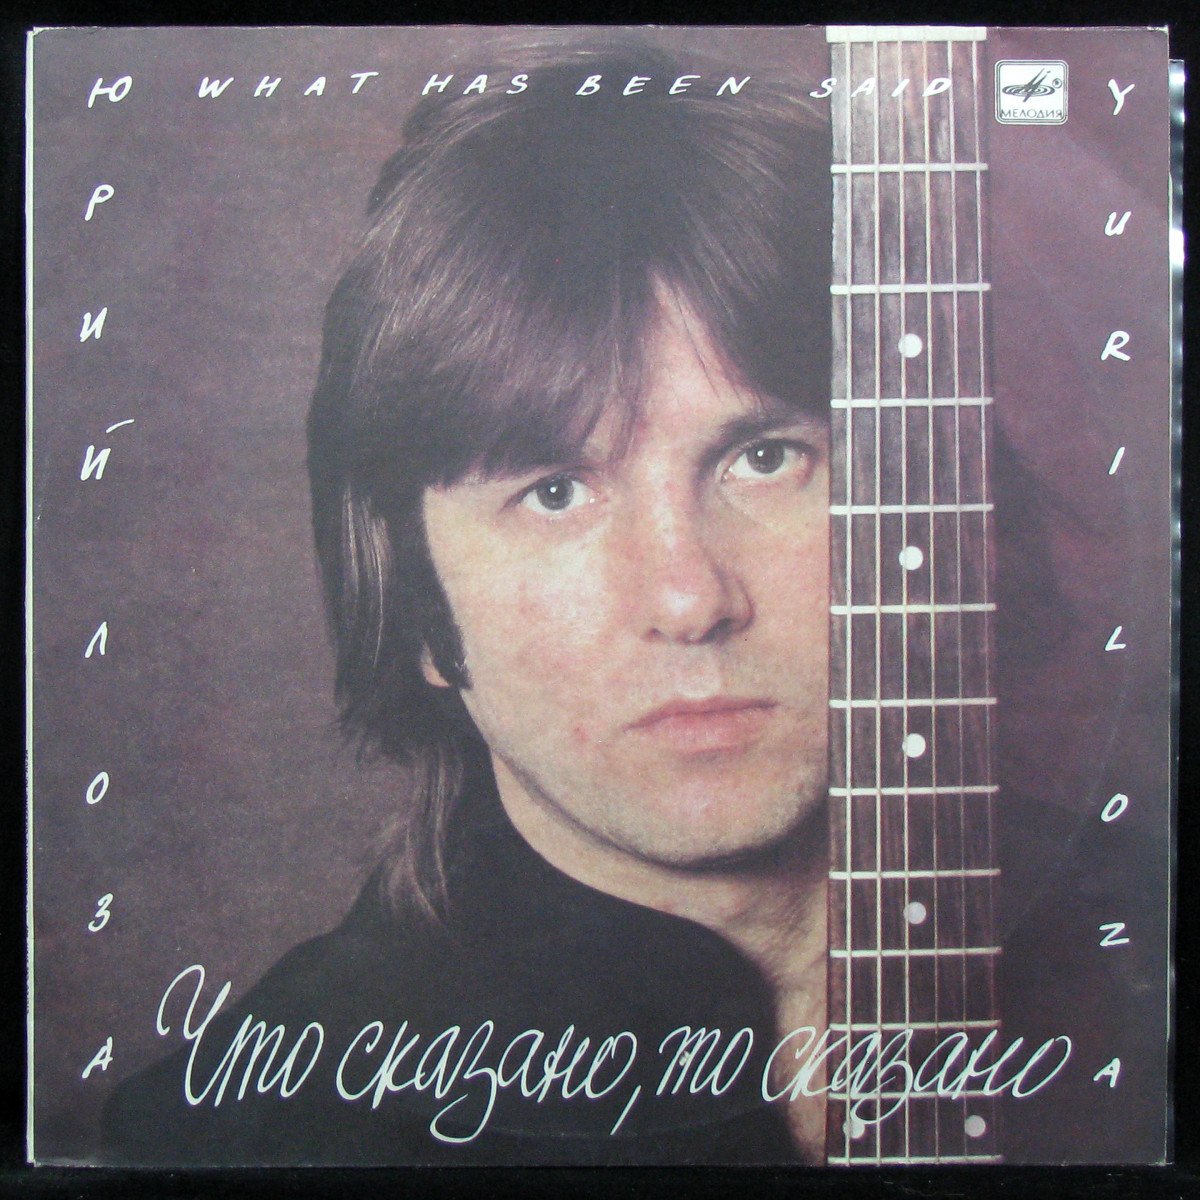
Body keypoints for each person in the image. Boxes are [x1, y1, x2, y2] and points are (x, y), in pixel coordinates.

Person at [101, 40, 1162, 1167]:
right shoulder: (247, 1131)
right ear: (416, 606)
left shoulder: (1146, 946)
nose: (688, 597)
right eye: (554, 490)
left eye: (765, 459)